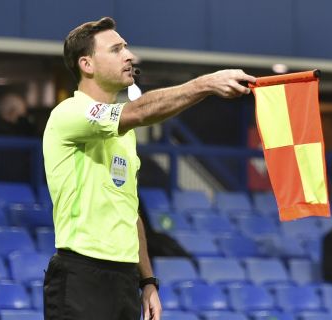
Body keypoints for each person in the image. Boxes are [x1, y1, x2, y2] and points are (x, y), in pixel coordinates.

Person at [42, 17, 255, 320]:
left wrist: (147, 281)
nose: (129, 56)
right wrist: (206, 84)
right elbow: (138, 112)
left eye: (126, 48)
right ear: (86, 64)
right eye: (116, 50)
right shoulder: (70, 113)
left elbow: (130, 211)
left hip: (124, 279)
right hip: (81, 275)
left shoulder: (124, 135)